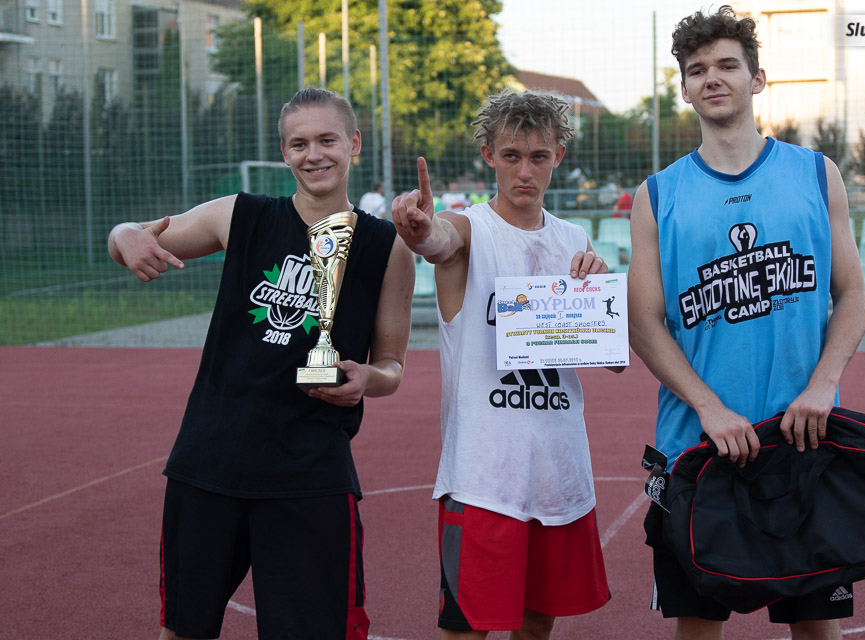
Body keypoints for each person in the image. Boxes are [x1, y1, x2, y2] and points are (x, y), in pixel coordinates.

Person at [107, 88, 415, 640]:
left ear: (354, 143)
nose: (313, 154)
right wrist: (124, 237)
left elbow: (392, 365)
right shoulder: (240, 215)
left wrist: (370, 378)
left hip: (310, 470)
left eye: (327, 140)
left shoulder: (386, 246)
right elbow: (134, 234)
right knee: (183, 629)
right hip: (211, 461)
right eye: (299, 144)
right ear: (283, 153)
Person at [627, 6, 865, 640]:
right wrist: (708, 407)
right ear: (684, 88)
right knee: (698, 628)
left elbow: (852, 295)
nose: (712, 78)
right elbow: (644, 323)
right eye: (696, 69)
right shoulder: (658, 194)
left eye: (727, 65)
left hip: (802, 437)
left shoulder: (816, 173)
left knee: (816, 627)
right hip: (697, 446)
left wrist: (822, 385)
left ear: (757, 78)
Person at [392, 89, 619, 640]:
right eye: (512, 155)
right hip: (484, 475)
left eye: (538, 157)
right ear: (488, 155)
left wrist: (601, 299)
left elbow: (611, 358)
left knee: (537, 624)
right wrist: (422, 231)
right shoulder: (471, 229)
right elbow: (440, 240)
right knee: (467, 629)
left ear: (558, 156)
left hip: (558, 468)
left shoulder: (574, 239)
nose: (525, 171)